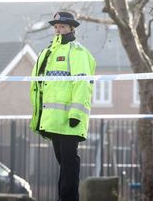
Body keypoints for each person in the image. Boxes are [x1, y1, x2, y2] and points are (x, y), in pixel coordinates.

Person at [29, 11, 96, 201]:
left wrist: (76, 113)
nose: (58, 30)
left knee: (69, 162)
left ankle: (68, 199)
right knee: (64, 163)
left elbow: (82, 83)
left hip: (69, 119)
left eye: (63, 26)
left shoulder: (77, 52)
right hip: (53, 119)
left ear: (71, 28)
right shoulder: (49, 52)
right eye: (56, 26)